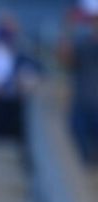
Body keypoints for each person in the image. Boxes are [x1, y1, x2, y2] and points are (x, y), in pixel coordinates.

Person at [58, 0, 98, 166]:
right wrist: (68, 28)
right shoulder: (83, 43)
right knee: (82, 158)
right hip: (83, 107)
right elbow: (64, 59)